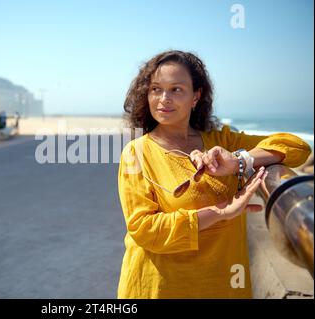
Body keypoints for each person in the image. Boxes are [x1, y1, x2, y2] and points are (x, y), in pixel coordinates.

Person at [117, 50, 312, 299]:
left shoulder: (222, 140)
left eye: (176, 89)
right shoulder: (136, 152)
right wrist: (221, 212)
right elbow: (144, 229)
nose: (163, 99)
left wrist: (240, 160)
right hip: (160, 287)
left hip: (223, 284)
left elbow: (298, 147)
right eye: (156, 89)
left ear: (196, 96)